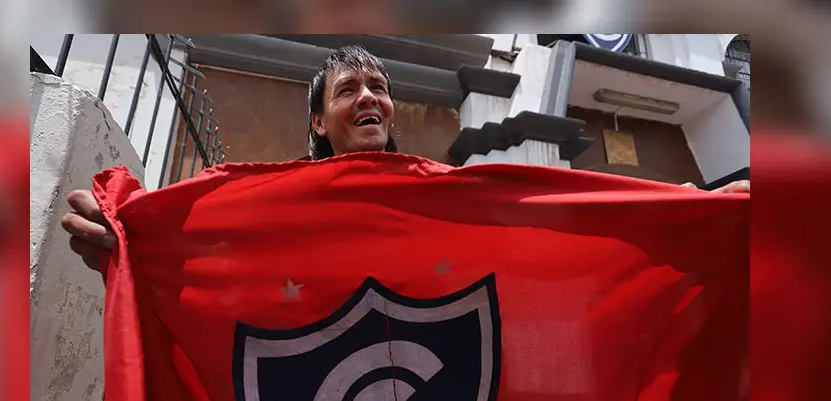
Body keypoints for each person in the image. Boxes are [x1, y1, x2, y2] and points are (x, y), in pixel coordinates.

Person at [61, 44, 751, 270]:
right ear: (319, 121)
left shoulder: (442, 193)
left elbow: (556, 211)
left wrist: (692, 211)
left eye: (381, 88)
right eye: (350, 88)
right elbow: (199, 255)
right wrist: (125, 247)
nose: (371, 98)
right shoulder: (266, 206)